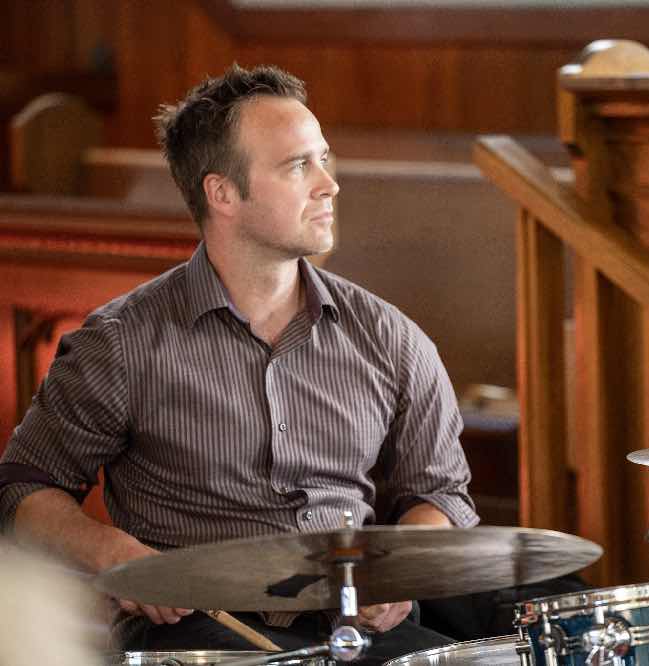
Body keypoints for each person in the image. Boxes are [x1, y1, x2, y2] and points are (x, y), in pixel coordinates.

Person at [0, 64, 478, 663]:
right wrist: (113, 554)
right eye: (298, 165)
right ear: (222, 193)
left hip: (357, 631)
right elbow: (24, 489)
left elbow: (440, 493)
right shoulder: (121, 342)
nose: (329, 184)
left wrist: (400, 569)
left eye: (323, 159)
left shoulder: (391, 337)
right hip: (198, 633)